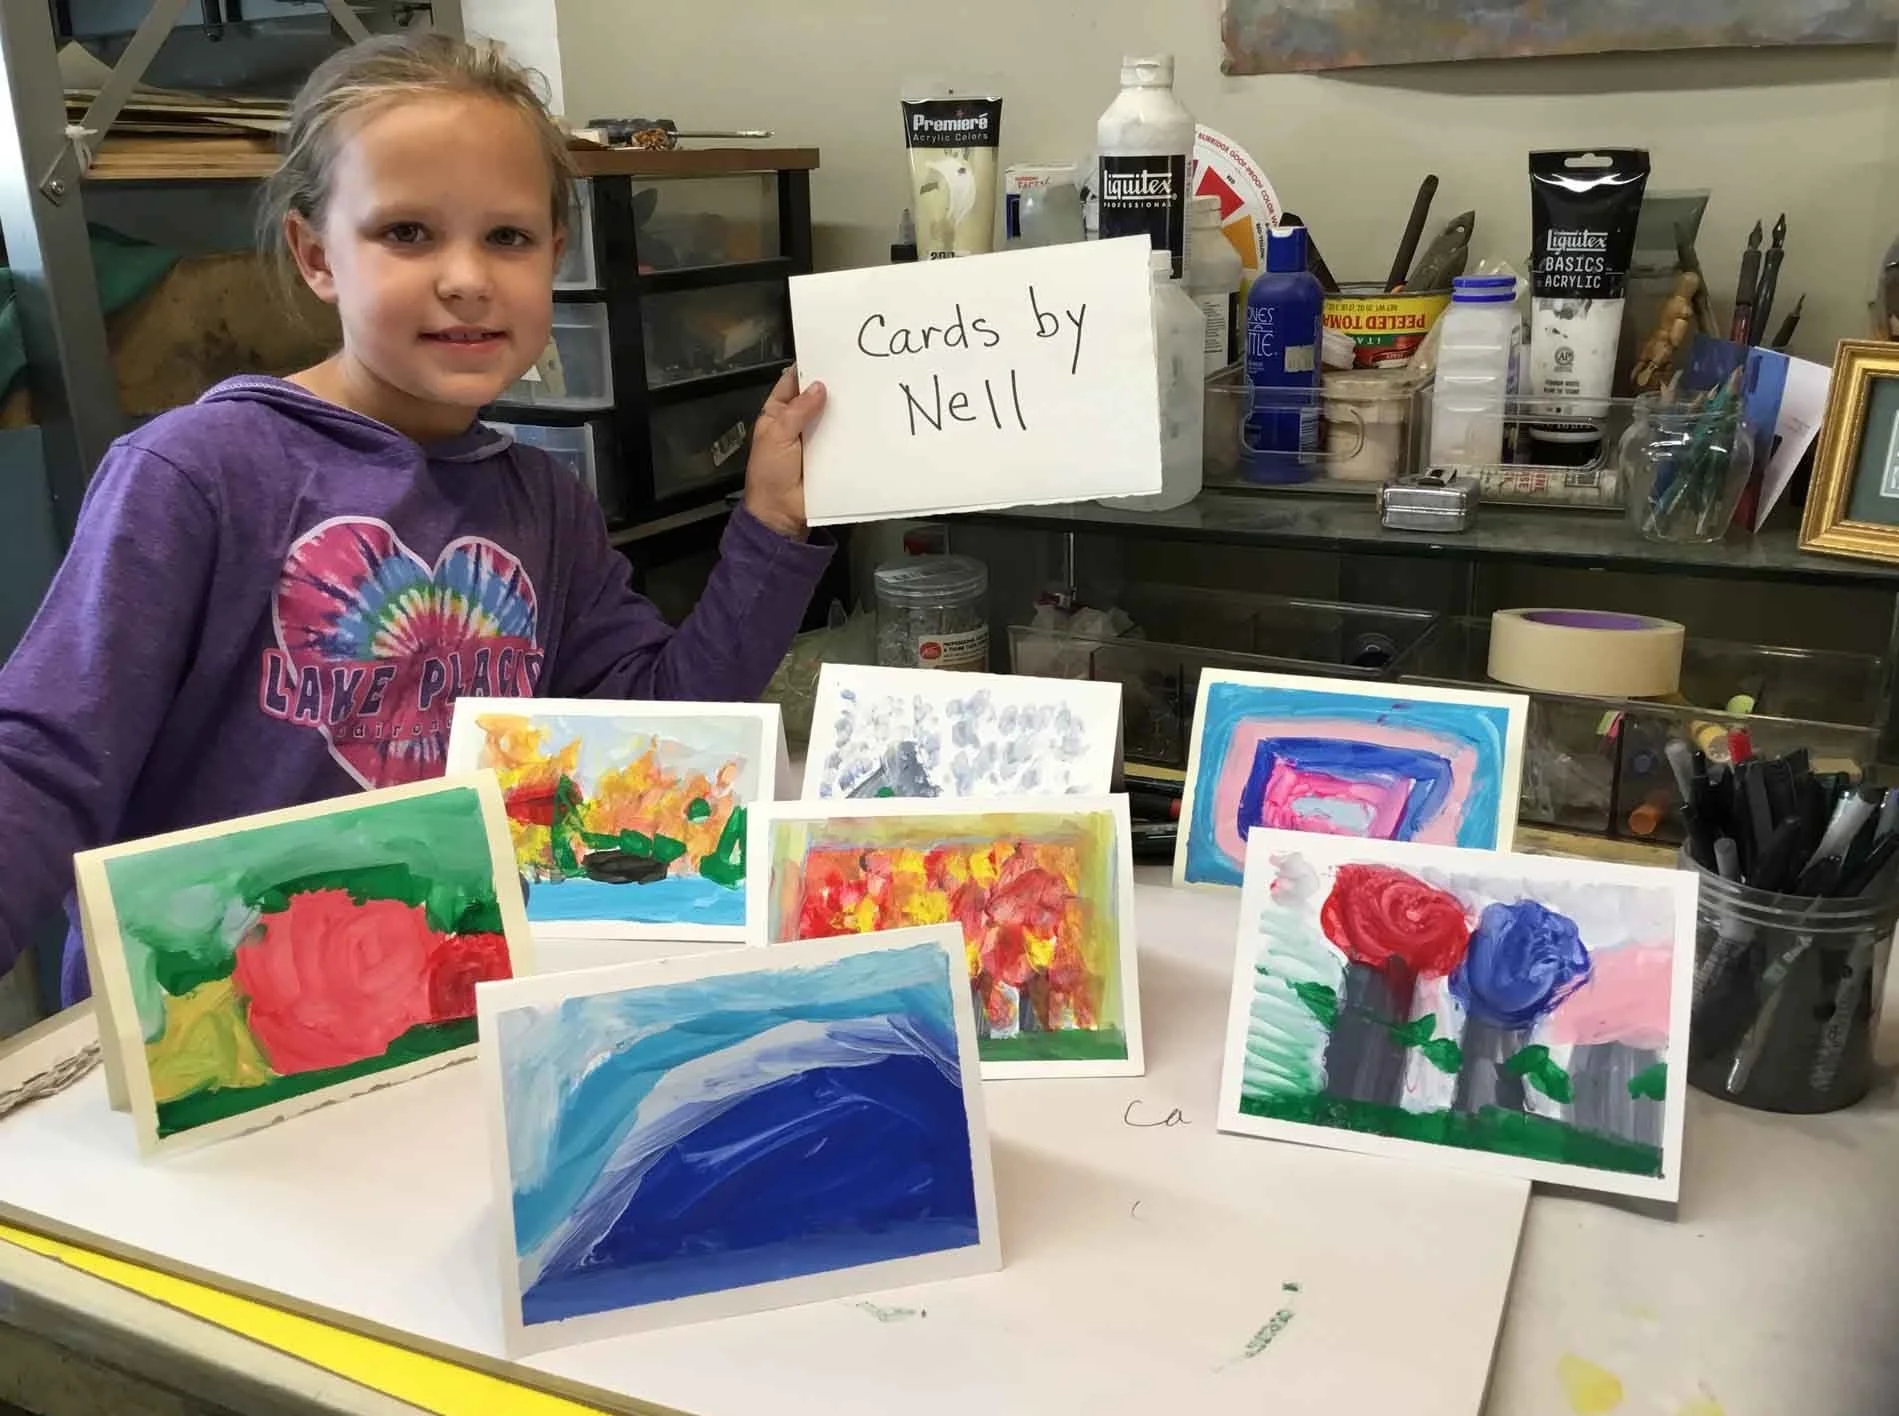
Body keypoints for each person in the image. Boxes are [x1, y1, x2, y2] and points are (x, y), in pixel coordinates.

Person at [0, 33, 834, 1007]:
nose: (466, 277)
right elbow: (46, 760)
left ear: (555, 255)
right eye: (407, 233)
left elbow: (666, 731)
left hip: (446, 1016)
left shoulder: (544, 504)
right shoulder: (196, 473)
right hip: (214, 1036)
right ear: (317, 255)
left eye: (507, 238)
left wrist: (770, 522)